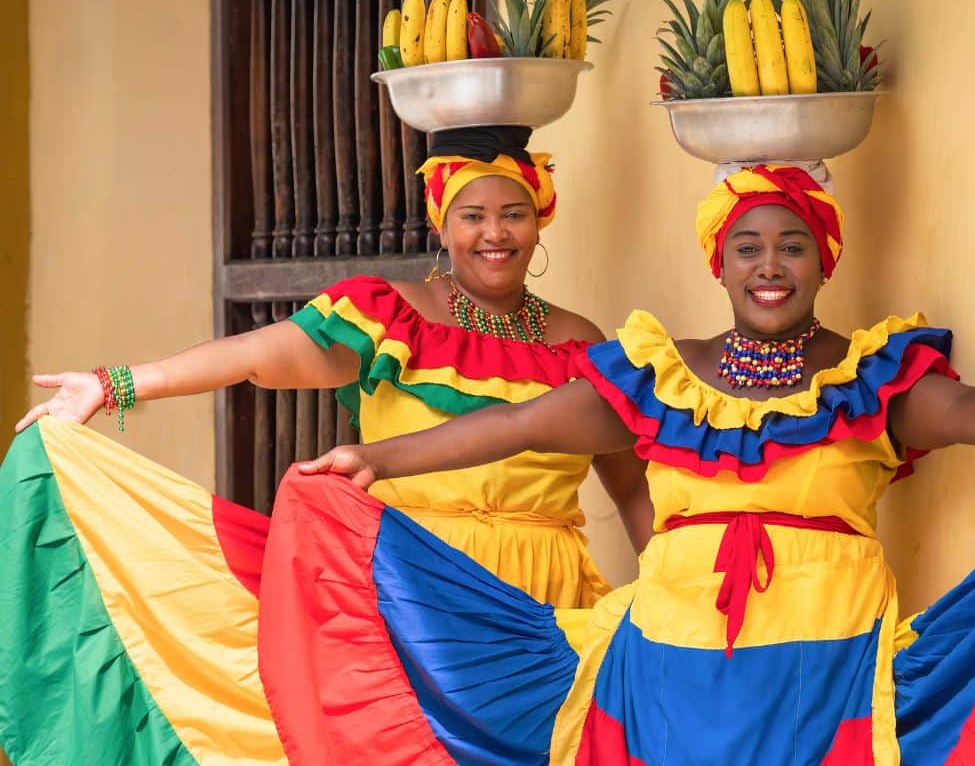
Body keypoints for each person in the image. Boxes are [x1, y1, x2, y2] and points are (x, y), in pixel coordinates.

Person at [273, 163, 975, 765]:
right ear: (718, 262)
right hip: (666, 668)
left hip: (822, 670)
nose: (769, 265)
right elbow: (523, 424)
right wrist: (374, 457)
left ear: (822, 261)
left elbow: (956, 403)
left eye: (791, 246)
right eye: (748, 246)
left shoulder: (864, 374)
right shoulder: (663, 375)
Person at [0, 128, 651, 766]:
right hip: (412, 593)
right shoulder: (392, 315)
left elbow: (630, 486)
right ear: (441, 222)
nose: (495, 234)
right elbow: (256, 356)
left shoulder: (581, 342)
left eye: (513, 214)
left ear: (540, 221)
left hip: (545, 602)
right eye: (472, 215)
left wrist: (677, 588)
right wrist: (114, 385)